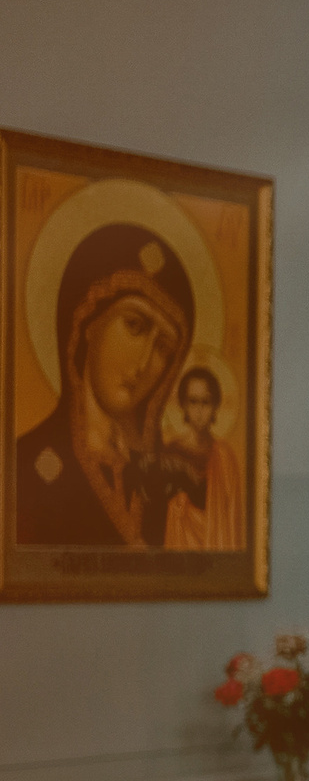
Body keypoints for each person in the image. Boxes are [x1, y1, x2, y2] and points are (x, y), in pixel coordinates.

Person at [14, 221, 195, 548]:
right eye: (134, 325)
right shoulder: (25, 463)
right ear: (88, 321)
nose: (142, 364)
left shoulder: (170, 477)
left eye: (163, 349)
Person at [161, 363, 245, 551]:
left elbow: (232, 517)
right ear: (183, 405)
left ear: (215, 406)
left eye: (205, 402)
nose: (199, 411)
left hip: (216, 550)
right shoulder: (170, 453)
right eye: (193, 401)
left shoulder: (224, 457)